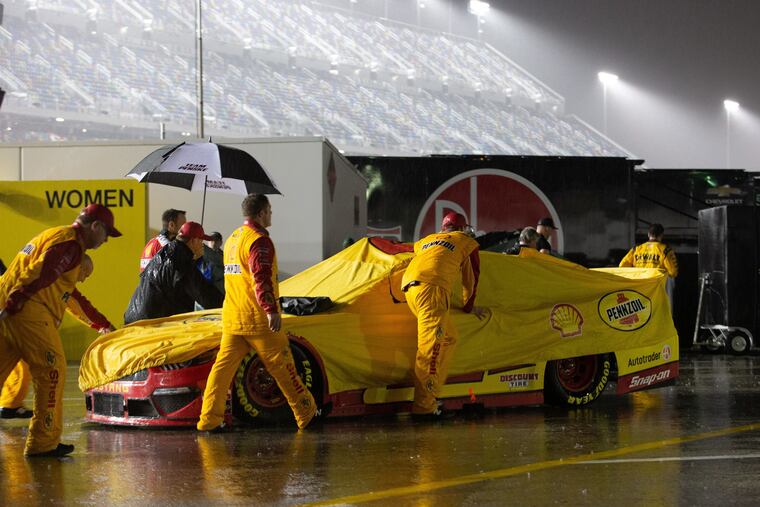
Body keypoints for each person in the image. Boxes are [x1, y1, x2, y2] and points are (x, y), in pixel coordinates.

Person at [0, 204, 120, 457]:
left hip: (10, 307)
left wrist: (101, 323)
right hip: (26, 311)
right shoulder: (71, 245)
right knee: (52, 371)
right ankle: (43, 443)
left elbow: (70, 296)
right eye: (106, 233)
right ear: (95, 226)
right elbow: (39, 273)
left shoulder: (56, 235)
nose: (106, 240)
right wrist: (16, 301)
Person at [197, 194, 318, 432]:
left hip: (233, 319)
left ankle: (208, 420)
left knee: (221, 371)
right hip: (258, 320)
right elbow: (260, 279)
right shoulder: (259, 241)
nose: (271, 214)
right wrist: (270, 310)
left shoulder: (233, 239)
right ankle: (307, 413)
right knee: (284, 369)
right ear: (261, 213)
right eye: (269, 210)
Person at [0, 254, 112, 420]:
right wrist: (106, 326)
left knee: (20, 365)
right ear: (78, 268)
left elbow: (77, 307)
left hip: (13, 322)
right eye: (85, 274)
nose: (83, 280)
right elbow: (81, 306)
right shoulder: (58, 281)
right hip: (14, 322)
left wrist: (100, 325)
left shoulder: (55, 276)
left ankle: (10, 405)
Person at [401, 211, 488, 419]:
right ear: (462, 229)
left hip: (410, 289)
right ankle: (424, 408)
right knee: (430, 351)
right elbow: (471, 280)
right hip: (433, 291)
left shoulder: (426, 240)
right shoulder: (465, 242)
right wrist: (469, 307)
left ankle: (433, 392)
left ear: (443, 228)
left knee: (448, 338)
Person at [124, 221, 224, 324]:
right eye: (201, 241)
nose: (203, 246)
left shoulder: (168, 251)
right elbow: (203, 293)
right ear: (193, 241)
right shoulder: (180, 259)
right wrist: (227, 305)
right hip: (149, 324)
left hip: (134, 317)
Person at [619, 223, 679, 302]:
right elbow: (673, 272)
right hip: (656, 291)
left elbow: (622, 266)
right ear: (661, 235)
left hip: (639, 289)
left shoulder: (636, 249)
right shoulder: (666, 250)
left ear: (648, 234)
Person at [139, 208, 187, 272]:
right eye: (183, 225)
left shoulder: (152, 241)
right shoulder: (167, 246)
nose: (186, 228)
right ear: (171, 225)